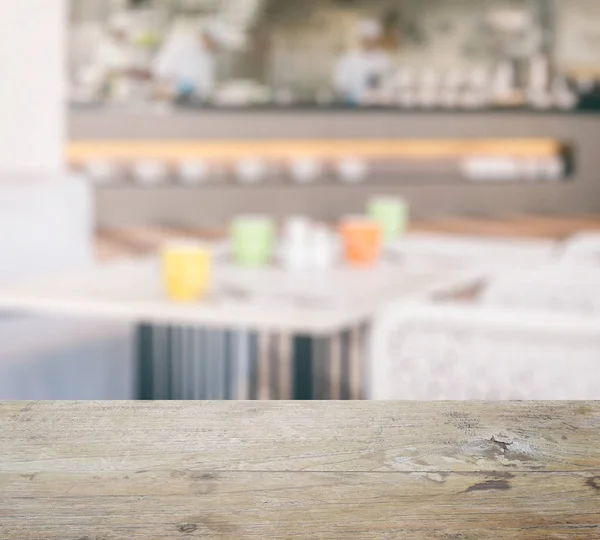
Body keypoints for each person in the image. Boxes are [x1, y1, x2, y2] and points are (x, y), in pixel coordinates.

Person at [153, 19, 243, 103]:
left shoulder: (207, 56)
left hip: (197, 104)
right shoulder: (181, 46)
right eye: (216, 43)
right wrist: (176, 88)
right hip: (175, 101)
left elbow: (205, 84)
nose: (216, 48)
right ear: (209, 38)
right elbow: (162, 72)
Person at [333, 19, 392, 106]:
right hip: (353, 109)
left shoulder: (384, 60)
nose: (368, 42)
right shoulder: (348, 59)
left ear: (377, 39)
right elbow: (340, 85)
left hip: (379, 109)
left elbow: (390, 84)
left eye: (371, 39)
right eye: (365, 39)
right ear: (360, 39)